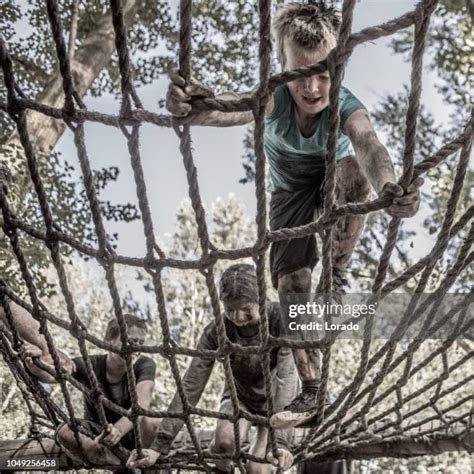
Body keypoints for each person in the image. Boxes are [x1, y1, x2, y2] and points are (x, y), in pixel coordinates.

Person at [165, 2, 422, 428]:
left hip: (336, 181)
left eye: (324, 74)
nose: (314, 88)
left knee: (354, 170)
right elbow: (232, 108)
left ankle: (336, 271)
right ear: (283, 66)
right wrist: (193, 107)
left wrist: (391, 188)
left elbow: (369, 144)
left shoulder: (345, 104)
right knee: (290, 289)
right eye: (300, 74)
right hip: (289, 194)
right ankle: (312, 389)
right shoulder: (276, 98)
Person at [126, 264, 298, 473]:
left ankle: (259, 451)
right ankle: (224, 466)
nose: (239, 318)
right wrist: (158, 446)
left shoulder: (281, 319)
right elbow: (191, 384)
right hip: (240, 398)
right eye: (231, 310)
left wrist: (280, 442)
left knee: (258, 470)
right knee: (225, 444)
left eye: (246, 310)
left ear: (262, 299)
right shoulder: (218, 330)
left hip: (276, 402)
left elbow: (287, 379)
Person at [19, 313, 160, 467]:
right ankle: (119, 467)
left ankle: (149, 468)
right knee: (64, 432)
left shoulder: (145, 364)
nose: (137, 348)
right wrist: (35, 366)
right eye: (131, 341)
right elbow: (54, 375)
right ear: (109, 339)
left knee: (153, 422)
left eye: (141, 343)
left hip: (133, 432)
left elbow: (141, 405)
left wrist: (117, 430)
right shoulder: (90, 364)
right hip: (97, 435)